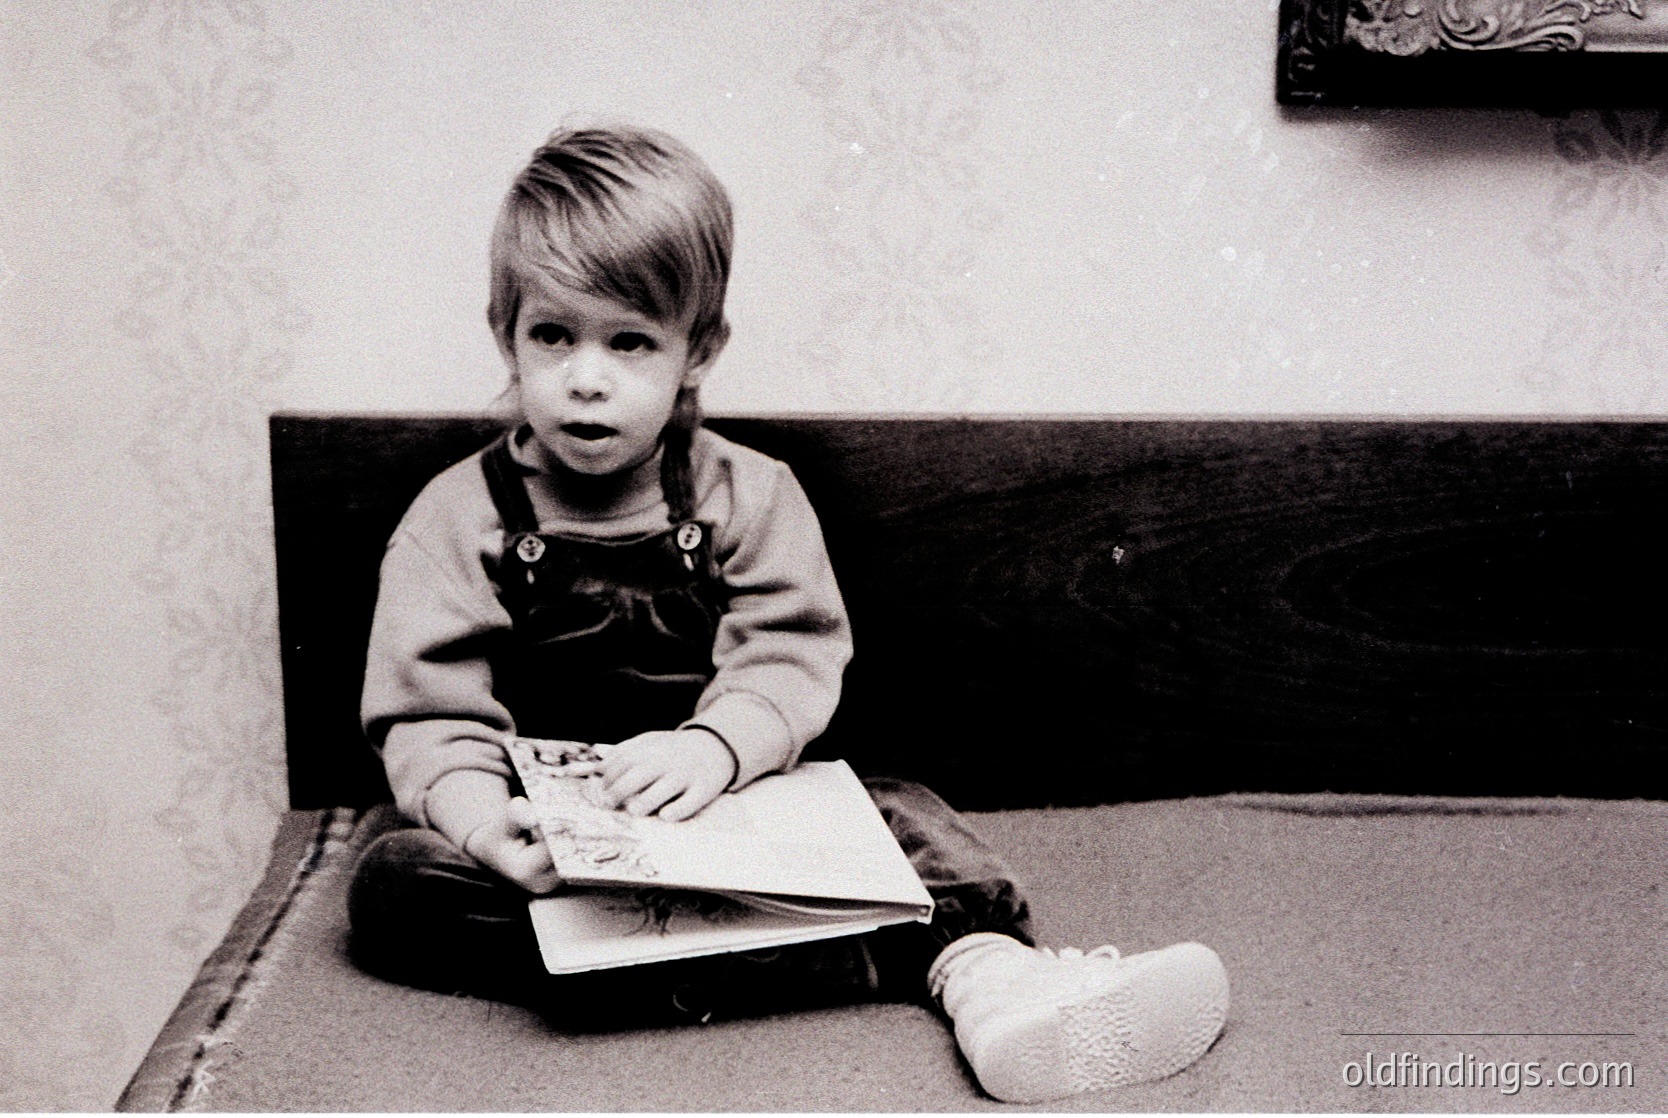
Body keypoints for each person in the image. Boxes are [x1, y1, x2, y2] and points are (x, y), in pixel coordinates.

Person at [348, 121, 1229, 1104]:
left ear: (698, 350)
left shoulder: (750, 494)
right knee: (394, 882)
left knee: (906, 812)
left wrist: (714, 750)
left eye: (630, 340)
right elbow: (432, 717)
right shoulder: (456, 516)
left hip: (724, 807)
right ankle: (860, 960)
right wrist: (485, 826)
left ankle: (991, 974)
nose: (586, 375)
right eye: (553, 334)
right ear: (504, 330)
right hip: (552, 847)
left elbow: (788, 655)